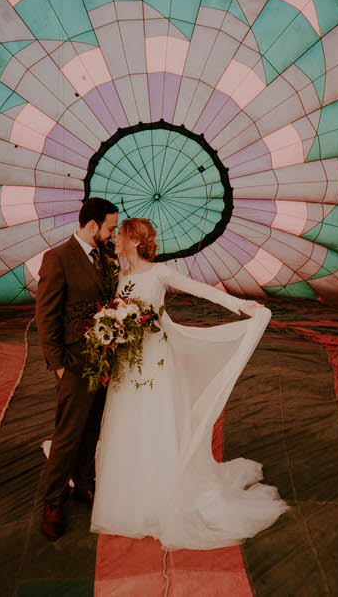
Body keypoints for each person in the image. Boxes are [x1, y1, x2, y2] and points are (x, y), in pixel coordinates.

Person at [90, 218, 289, 549]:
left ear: (134, 241)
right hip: (128, 360)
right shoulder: (119, 275)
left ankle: (164, 490)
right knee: (127, 420)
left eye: (120, 236)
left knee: (157, 419)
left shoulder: (159, 273)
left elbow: (201, 289)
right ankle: (131, 488)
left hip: (155, 359)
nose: (115, 241)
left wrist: (241, 305)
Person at [35, 197, 119, 541]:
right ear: (92, 225)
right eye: (110, 228)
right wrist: (57, 365)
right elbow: (46, 316)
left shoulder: (105, 256)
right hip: (73, 363)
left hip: (103, 361)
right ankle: (53, 502)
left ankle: (84, 484)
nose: (113, 234)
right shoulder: (57, 258)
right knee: (67, 435)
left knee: (92, 429)